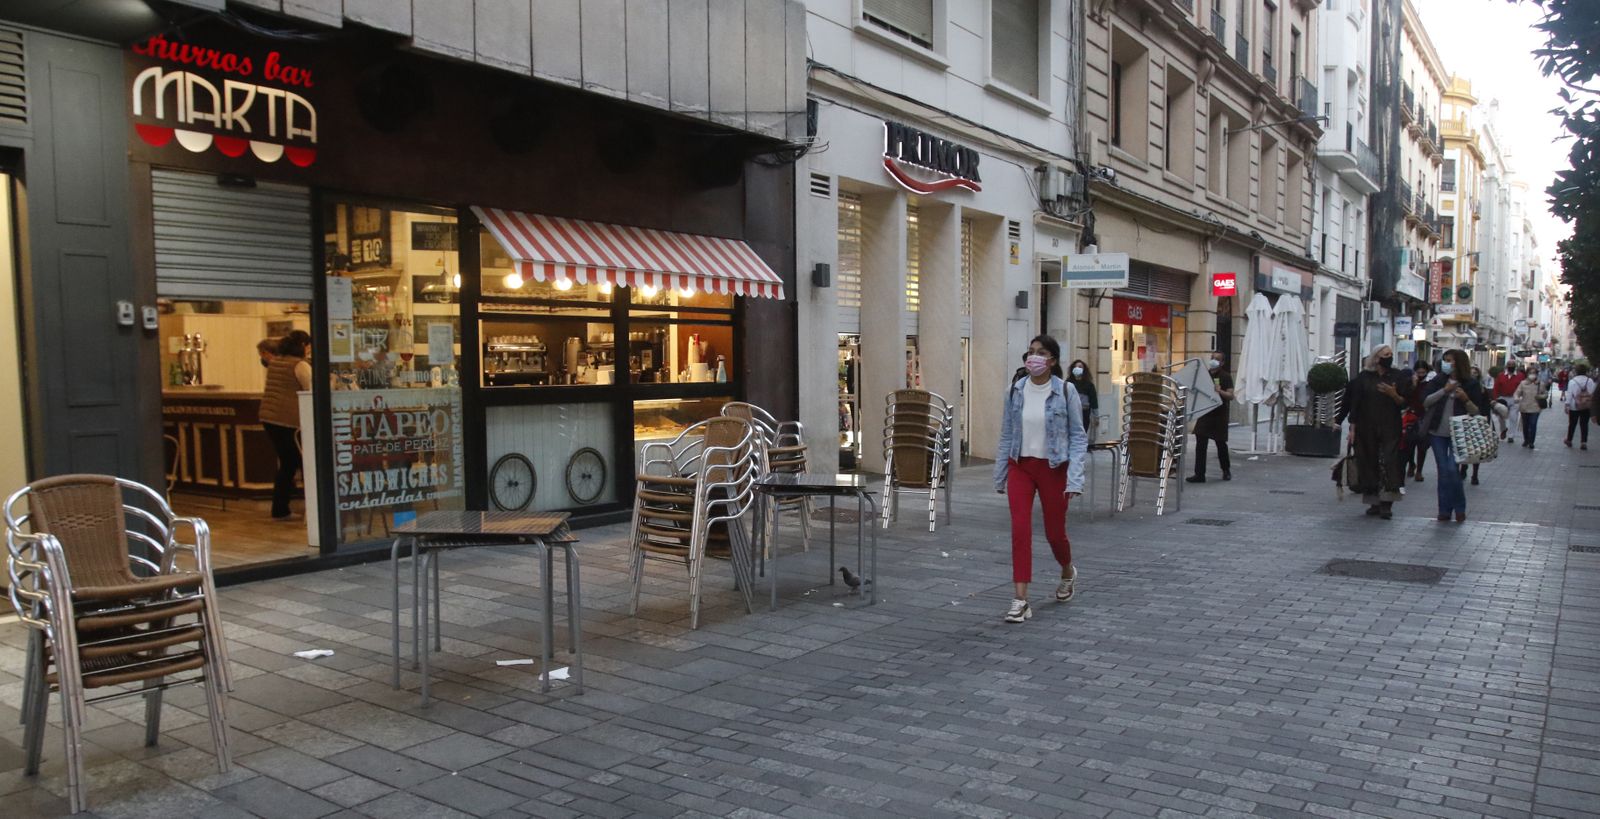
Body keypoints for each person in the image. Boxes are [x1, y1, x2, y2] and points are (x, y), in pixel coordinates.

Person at [994, 334, 1088, 624]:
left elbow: (1077, 436)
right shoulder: (1016, 391)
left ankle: (1067, 571)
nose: (1034, 358)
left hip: (1054, 467)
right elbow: (1007, 434)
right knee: (1020, 529)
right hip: (1020, 466)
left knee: (1054, 532)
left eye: (1041, 353)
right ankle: (1020, 599)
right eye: (1031, 352)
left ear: (1053, 361)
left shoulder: (1066, 391)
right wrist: (1001, 474)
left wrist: (1074, 479)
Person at [1334, 345, 1410, 519]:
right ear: (1376, 357)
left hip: (1390, 426)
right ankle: (1373, 501)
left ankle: (1387, 503)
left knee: (1389, 462)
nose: (1389, 357)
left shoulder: (1397, 377)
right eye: (1385, 354)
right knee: (1369, 462)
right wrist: (1344, 424)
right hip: (1366, 426)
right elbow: (1352, 403)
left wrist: (1393, 394)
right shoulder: (1363, 378)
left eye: (1390, 354)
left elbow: (1404, 403)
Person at [1420, 348, 1485, 522]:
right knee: (1443, 471)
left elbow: (1477, 410)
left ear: (1459, 363)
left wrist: (1465, 398)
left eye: (1450, 360)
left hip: (1460, 433)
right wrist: (1444, 390)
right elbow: (1425, 401)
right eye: (1445, 360)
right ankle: (1444, 510)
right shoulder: (1438, 380)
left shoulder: (1470, 384)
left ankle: (1459, 507)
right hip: (1437, 432)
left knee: (1452, 470)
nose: (1446, 363)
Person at [259, 330, 313, 520]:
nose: (309, 349)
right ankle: (314, 509)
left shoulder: (276, 362)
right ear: (302, 346)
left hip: (270, 418)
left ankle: (280, 509)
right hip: (288, 420)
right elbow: (312, 390)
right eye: (307, 345)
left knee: (288, 464)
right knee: (305, 464)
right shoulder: (300, 365)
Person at [1186, 351, 1234, 483]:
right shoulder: (1204, 375)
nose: (1213, 361)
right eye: (1212, 358)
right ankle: (1199, 474)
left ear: (1222, 363)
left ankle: (1226, 470)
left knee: (1220, 444)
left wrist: (1220, 391)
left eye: (1217, 359)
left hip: (1219, 415)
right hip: (1204, 413)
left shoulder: (1225, 376)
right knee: (1200, 445)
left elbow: (1231, 396)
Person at [1407, 360, 1434, 481]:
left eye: (1423, 372)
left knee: (1422, 446)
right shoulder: (1411, 382)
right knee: (1409, 444)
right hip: (1411, 416)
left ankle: (1419, 470)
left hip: (1424, 417)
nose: (1421, 375)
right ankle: (1411, 464)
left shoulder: (1430, 384)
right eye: (1419, 372)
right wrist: (1413, 384)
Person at [1493, 362, 1526, 444]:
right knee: (1500, 415)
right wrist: (1495, 398)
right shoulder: (1501, 375)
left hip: (1514, 398)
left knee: (1513, 417)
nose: (1511, 367)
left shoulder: (1520, 376)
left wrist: (1521, 397)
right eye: (1509, 366)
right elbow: (1496, 387)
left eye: (1512, 366)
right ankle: (1503, 429)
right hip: (1502, 398)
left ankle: (1511, 435)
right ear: (1506, 367)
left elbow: (1523, 387)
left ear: (1515, 367)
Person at [1066, 359, 1099, 439]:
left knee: (1081, 433)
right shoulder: (1068, 383)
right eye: (1075, 366)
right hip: (1070, 412)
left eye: (1080, 367)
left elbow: (1094, 401)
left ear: (1084, 370)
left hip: (1084, 413)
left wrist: (1096, 416)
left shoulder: (1089, 385)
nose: (1077, 368)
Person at [1565, 363, 1595, 450]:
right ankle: (1583, 442)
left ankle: (1569, 440)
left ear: (1576, 371)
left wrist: (1567, 404)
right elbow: (1592, 393)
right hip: (1586, 405)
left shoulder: (1572, 381)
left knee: (1572, 424)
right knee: (1584, 424)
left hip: (1574, 406)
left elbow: (1569, 394)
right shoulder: (1590, 381)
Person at [1515, 374, 1544, 448]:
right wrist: (1516, 398)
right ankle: (1526, 440)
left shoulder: (1540, 384)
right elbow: (1517, 393)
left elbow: (1545, 393)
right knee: (1525, 425)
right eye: (1531, 373)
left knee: (1533, 424)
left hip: (1535, 407)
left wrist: (1541, 396)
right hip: (1525, 407)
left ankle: (1531, 442)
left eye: (1534, 373)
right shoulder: (1523, 383)